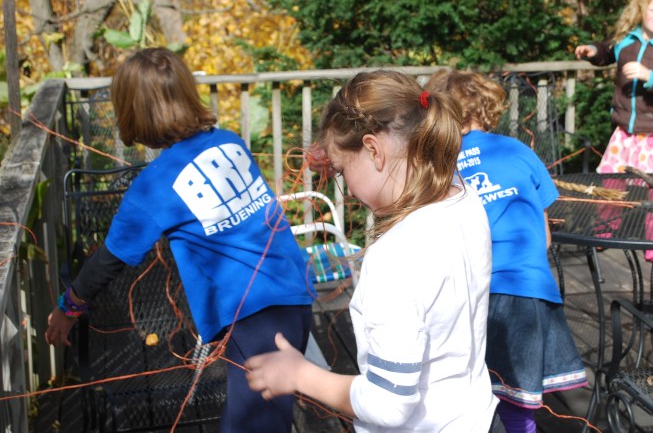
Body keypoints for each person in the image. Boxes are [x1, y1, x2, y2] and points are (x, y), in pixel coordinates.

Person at [45, 47, 314, 433]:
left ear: (132, 110)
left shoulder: (153, 186)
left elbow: (109, 260)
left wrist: (67, 309)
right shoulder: (229, 141)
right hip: (293, 294)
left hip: (253, 317)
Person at [244, 70, 501, 432]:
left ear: (373, 150)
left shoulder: (395, 258)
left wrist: (300, 374)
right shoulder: (463, 199)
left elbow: (387, 404)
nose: (346, 190)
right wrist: (337, 152)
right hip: (479, 419)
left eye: (341, 172)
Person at [425, 69, 588, 433]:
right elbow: (544, 236)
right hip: (531, 290)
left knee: (478, 393)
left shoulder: (440, 165)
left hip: (473, 292)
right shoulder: (518, 150)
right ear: (484, 109)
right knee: (518, 398)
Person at [574, 0, 653, 269]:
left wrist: (649, 76)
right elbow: (609, 50)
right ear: (642, 8)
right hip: (625, 132)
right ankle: (604, 233)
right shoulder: (628, 40)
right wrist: (594, 51)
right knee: (610, 183)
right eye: (652, 8)